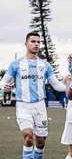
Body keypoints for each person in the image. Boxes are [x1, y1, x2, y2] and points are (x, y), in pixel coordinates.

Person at [0, 31, 66, 159]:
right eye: (33, 41)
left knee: (40, 142)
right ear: (26, 43)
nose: (36, 44)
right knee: (28, 137)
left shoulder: (45, 65)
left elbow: (56, 85)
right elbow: (3, 82)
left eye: (38, 42)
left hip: (40, 106)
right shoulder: (16, 64)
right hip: (23, 106)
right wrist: (4, 86)